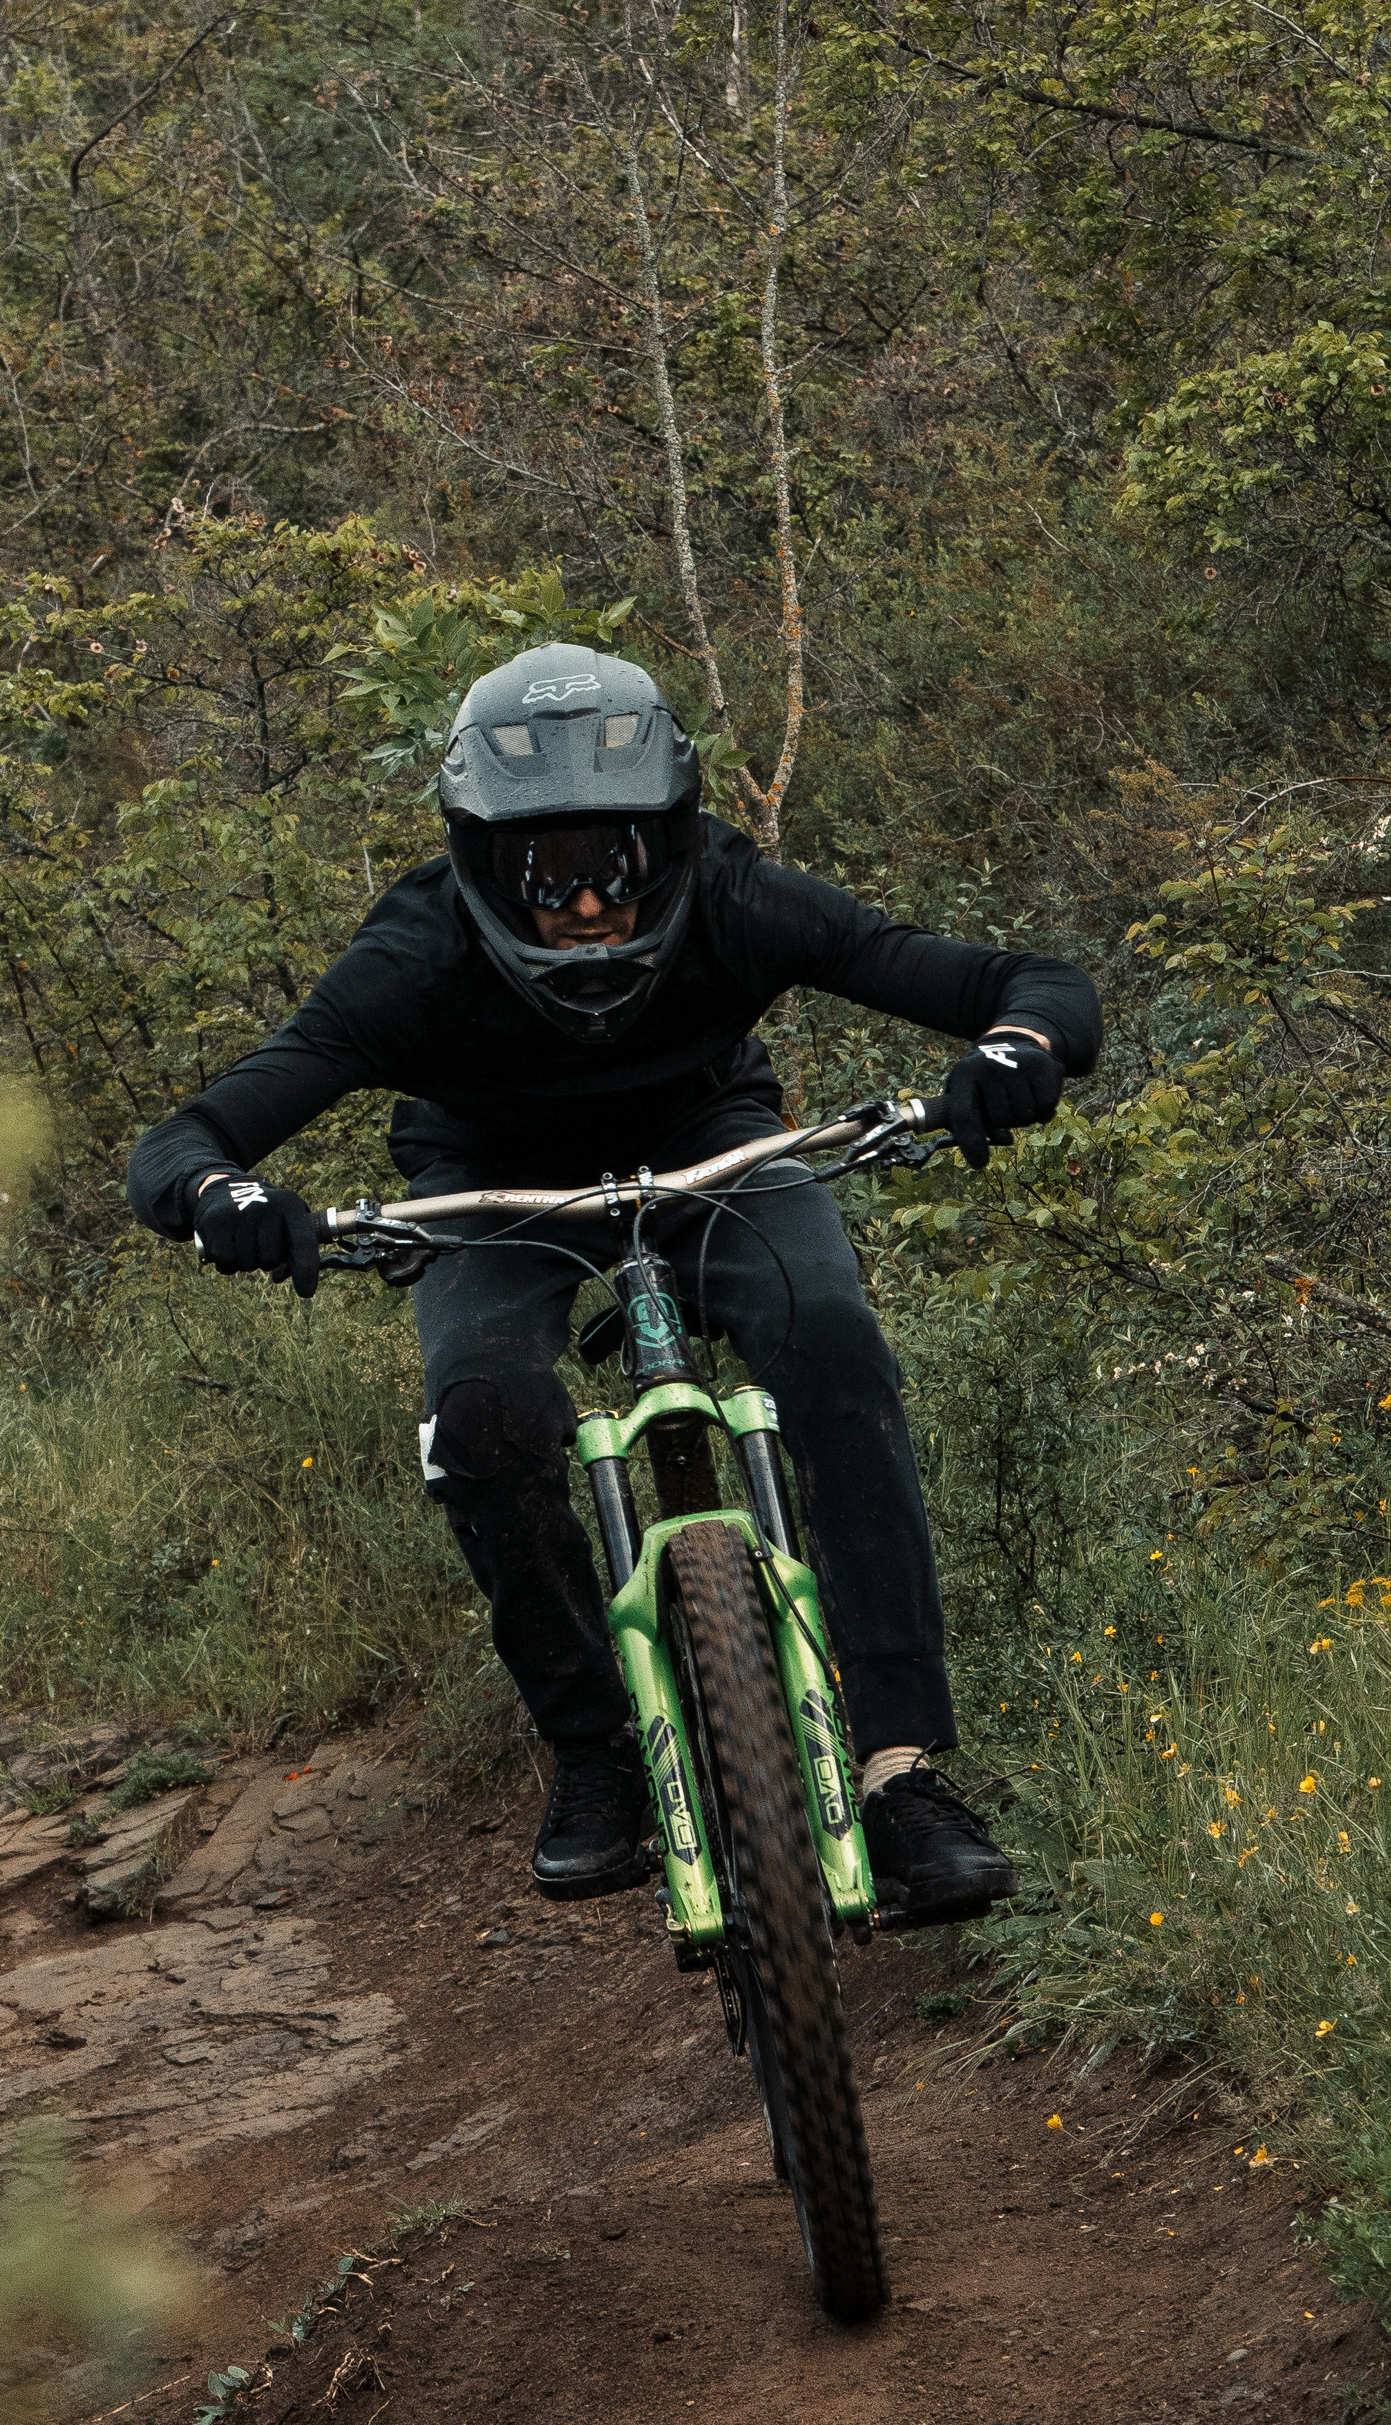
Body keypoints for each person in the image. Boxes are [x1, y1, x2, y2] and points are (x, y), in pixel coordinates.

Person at [125, 643, 1099, 1919]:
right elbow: (184, 1142)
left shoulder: (745, 901)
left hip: (715, 1152)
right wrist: (226, 1198)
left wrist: (1016, 1050)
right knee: (487, 1423)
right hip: (490, 1185)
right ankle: (597, 1754)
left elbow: (1023, 984)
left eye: (618, 867)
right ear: (482, 863)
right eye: (544, 874)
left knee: (839, 1351)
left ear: (674, 844)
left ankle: (899, 1772)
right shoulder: (416, 956)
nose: (586, 908)